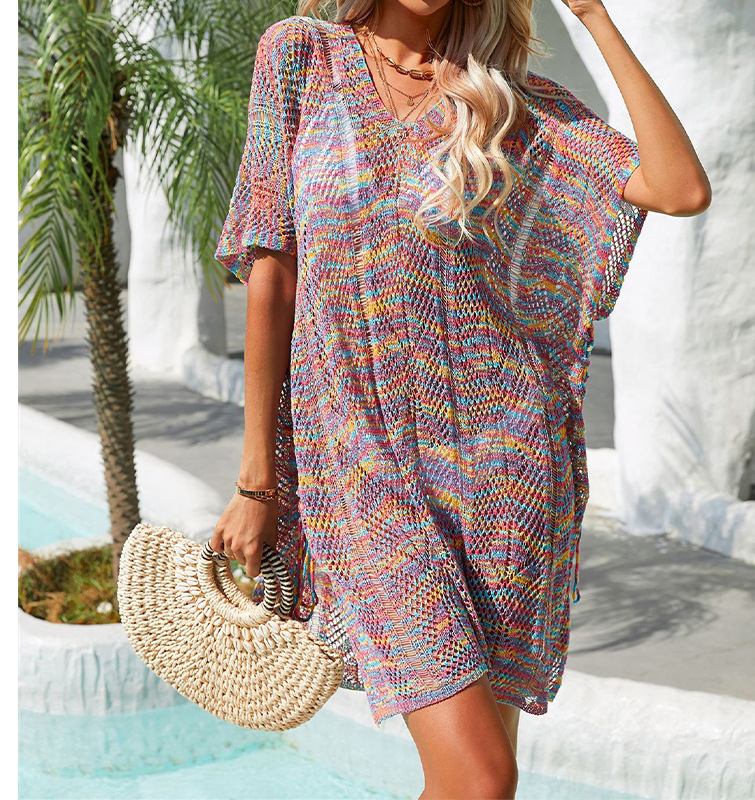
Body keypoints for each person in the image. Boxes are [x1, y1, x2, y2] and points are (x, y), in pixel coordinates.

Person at [211, 0, 711, 796]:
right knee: (481, 778)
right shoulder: (301, 58)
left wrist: (594, 16)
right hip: (361, 469)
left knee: (477, 784)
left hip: (504, 478)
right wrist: (257, 481)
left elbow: (678, 187)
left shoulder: (504, 102)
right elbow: (272, 273)